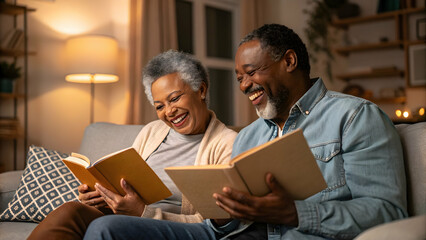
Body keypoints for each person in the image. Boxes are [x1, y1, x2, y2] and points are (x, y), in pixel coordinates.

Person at [83, 24, 408, 240]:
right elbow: (218, 226)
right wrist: (226, 212)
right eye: (239, 77)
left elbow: (388, 213)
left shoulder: (354, 117)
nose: (244, 85)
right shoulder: (251, 136)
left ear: (289, 61)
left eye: (251, 72)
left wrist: (295, 213)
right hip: (231, 235)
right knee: (106, 228)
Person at [27, 50, 237, 240]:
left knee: (105, 225)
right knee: (69, 210)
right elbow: (126, 184)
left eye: (174, 98)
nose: (169, 111)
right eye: (160, 106)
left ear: (201, 90)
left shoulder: (227, 143)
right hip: (124, 216)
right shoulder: (152, 131)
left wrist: (143, 213)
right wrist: (99, 196)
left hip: (165, 227)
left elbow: (211, 223)